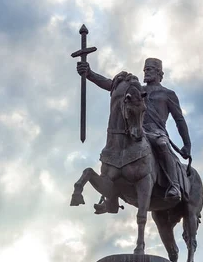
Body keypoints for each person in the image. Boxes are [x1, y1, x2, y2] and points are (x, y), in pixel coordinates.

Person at [76, 57, 191, 202]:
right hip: (136, 130)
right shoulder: (137, 89)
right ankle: (110, 198)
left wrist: (187, 144)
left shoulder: (168, 94)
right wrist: (90, 73)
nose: (146, 72)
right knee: (115, 149)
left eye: (149, 69)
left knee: (162, 144)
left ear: (159, 73)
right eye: (145, 69)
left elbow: (179, 120)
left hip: (157, 132)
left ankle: (174, 185)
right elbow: (112, 85)